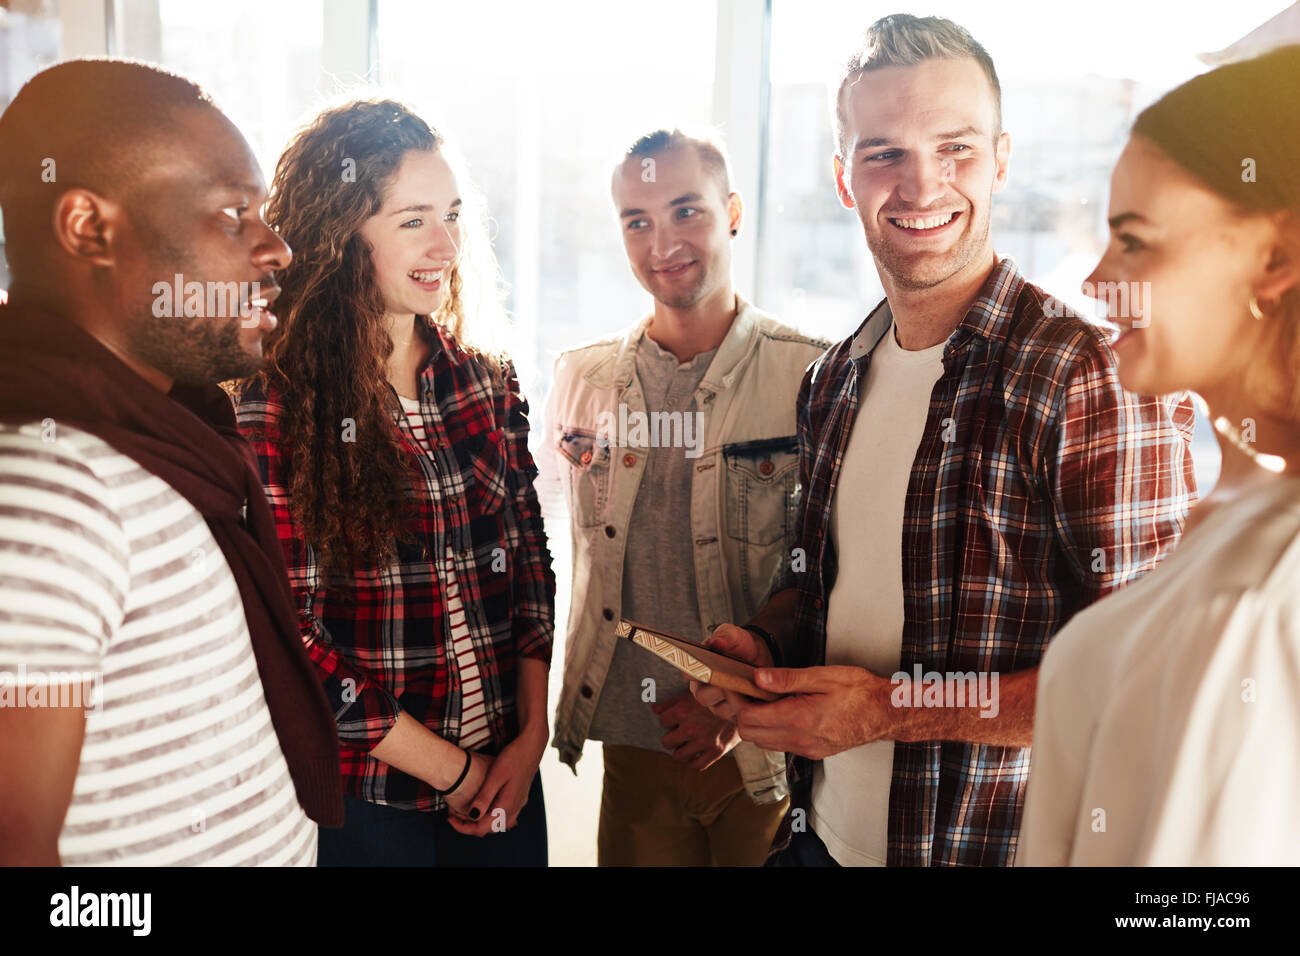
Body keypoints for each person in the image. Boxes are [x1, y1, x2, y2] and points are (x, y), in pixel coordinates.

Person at [692, 13, 1197, 867]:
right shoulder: (834, 378)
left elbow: (1153, 675)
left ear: (1001, 159)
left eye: (955, 148)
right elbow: (823, 589)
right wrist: (768, 646)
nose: (922, 186)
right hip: (820, 842)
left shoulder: (1089, 375)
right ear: (846, 180)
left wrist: (887, 711)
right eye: (884, 152)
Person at [0, 59, 340, 865]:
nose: (278, 249)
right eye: (232, 214)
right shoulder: (49, 486)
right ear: (88, 228)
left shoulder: (168, 429)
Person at [234, 99, 554, 867]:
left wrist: (530, 736)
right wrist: (454, 773)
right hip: (372, 806)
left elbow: (529, 564)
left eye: (451, 214)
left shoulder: (484, 379)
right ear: (341, 235)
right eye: (413, 220)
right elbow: (295, 635)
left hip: (509, 777)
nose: (446, 244)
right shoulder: (272, 404)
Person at [1019, 46, 1300, 866]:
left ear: (1275, 259)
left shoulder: (1272, 580)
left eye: (1135, 242)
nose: (1100, 281)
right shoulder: (1233, 519)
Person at [541, 128, 828, 866]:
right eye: (636, 221)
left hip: (764, 759)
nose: (661, 241)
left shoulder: (814, 379)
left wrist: (733, 711)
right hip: (633, 746)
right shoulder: (581, 378)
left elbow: (832, 576)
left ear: (731, 210)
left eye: (685, 211)